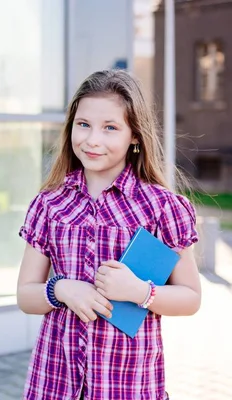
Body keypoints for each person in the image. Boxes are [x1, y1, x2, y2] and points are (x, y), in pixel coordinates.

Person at [16, 69, 201, 400]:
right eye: (83, 124)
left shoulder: (161, 208)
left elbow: (190, 298)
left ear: (134, 135)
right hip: (55, 381)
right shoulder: (49, 203)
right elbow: (25, 295)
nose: (92, 140)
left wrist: (139, 292)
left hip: (128, 385)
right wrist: (62, 289)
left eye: (110, 128)